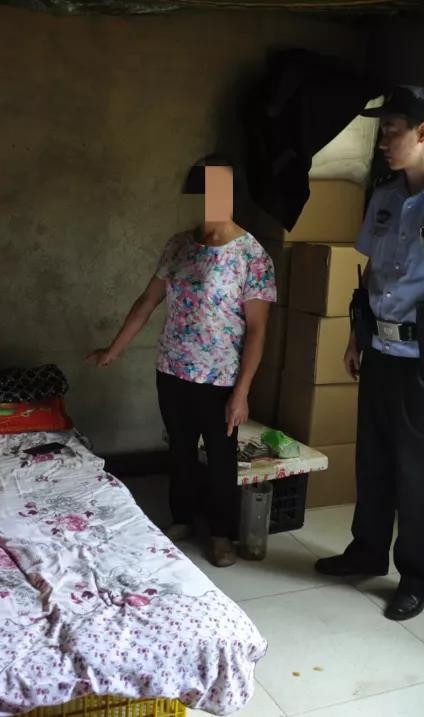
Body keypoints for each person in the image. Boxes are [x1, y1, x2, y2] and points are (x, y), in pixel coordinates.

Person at [315, 86, 424, 621]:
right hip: (379, 348)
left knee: (419, 473)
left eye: (391, 132)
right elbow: (371, 272)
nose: (382, 143)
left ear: (423, 132)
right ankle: (366, 550)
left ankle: (417, 576)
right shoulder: (386, 194)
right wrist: (355, 335)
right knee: (372, 460)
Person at [87, 155, 277, 568]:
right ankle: (183, 518)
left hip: (221, 377)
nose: (213, 198)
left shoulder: (251, 255)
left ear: (232, 193)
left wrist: (242, 392)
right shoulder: (178, 245)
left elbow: (257, 330)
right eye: (207, 189)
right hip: (172, 368)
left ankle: (221, 534)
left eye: (220, 189)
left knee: (221, 457)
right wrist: (114, 349)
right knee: (181, 449)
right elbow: (147, 301)